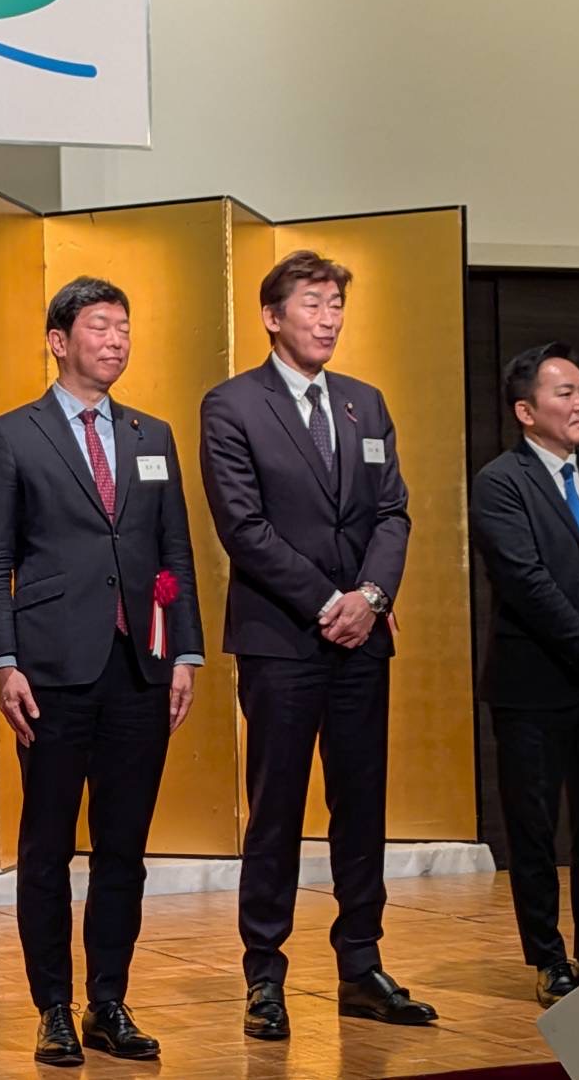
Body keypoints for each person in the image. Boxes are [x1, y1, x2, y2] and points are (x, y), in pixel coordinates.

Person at [199, 249, 435, 1038]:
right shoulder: (232, 405)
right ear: (272, 317)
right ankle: (263, 975)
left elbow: (392, 513)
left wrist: (370, 598)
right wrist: (328, 601)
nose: (328, 318)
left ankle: (360, 964)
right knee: (276, 808)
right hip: (280, 638)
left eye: (336, 304)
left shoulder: (364, 403)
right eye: (312, 303)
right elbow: (243, 527)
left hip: (361, 640)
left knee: (360, 806)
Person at [0, 276, 204, 1066]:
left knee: (123, 847)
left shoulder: (150, 434)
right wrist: (3, 662)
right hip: (50, 669)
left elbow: (175, 550)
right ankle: (52, 1009)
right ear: (57, 340)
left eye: (123, 328)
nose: (115, 341)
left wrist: (184, 652)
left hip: (139, 666)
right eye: (100, 326)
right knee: (46, 848)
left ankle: (109, 1000)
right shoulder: (11, 436)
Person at [470, 342, 579, 1007]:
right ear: (526, 411)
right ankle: (547, 957)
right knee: (534, 826)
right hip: (534, 681)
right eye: (565, 393)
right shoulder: (500, 482)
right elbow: (525, 580)